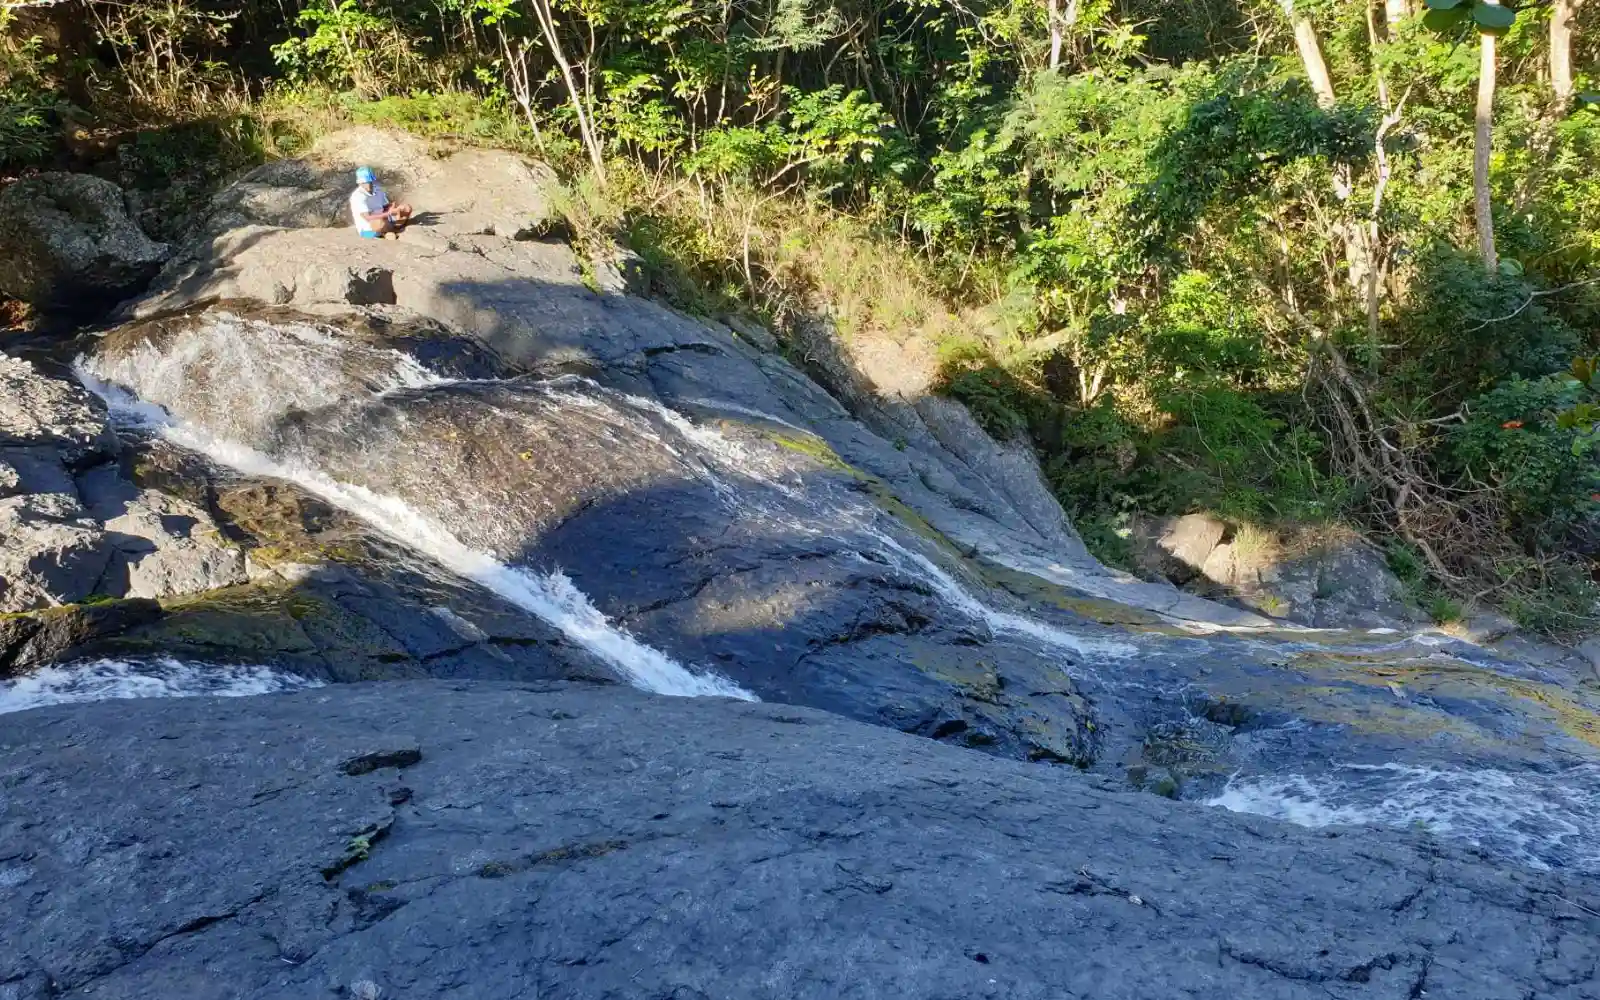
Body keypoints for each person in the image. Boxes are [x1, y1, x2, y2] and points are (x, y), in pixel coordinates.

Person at [349, 166, 412, 238]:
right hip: (367, 231)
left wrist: (391, 207)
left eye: (369, 182)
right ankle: (389, 231)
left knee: (406, 208)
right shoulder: (357, 197)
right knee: (379, 223)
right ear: (359, 183)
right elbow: (367, 218)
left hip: (384, 219)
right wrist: (388, 213)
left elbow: (385, 206)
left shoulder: (377, 189)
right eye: (364, 183)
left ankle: (391, 230)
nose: (368, 184)